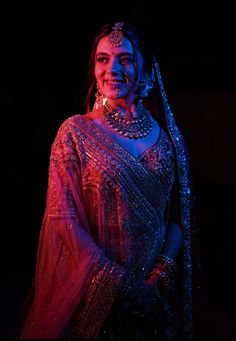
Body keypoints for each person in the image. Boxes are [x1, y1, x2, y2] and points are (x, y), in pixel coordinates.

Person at [18, 21, 207, 339]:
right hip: (95, 297)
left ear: (146, 69)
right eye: (102, 59)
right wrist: (119, 284)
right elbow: (64, 221)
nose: (112, 69)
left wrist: (157, 279)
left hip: (155, 298)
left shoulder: (168, 139)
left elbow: (177, 217)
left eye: (125, 59)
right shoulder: (75, 133)